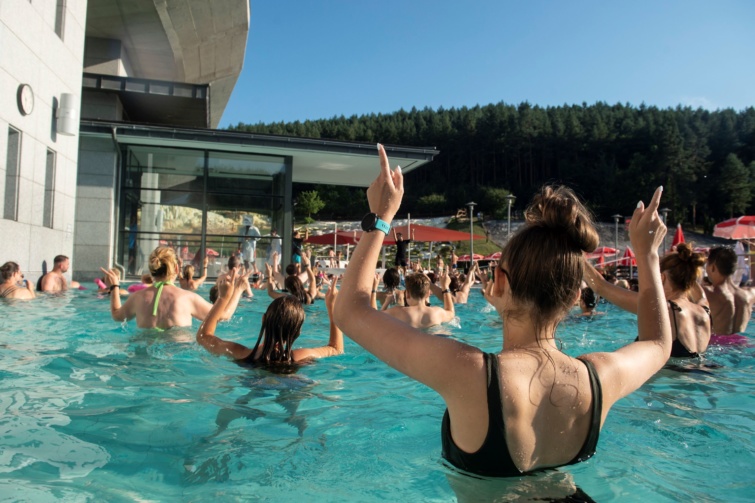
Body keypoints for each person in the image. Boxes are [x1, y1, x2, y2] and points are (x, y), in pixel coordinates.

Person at [334, 144, 671, 477]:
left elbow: (350, 310)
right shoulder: (600, 378)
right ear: (572, 297)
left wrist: (381, 218)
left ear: (498, 282)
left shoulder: (469, 373)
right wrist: (648, 255)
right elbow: (658, 342)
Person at [584, 242, 709, 357]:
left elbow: (600, 286)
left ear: (662, 278)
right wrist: (688, 272)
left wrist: (576, 254)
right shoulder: (705, 311)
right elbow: (700, 294)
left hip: (666, 380)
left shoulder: (662, 309)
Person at [196, 271, 344, 367]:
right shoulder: (299, 357)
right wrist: (332, 308)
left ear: (263, 319)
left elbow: (203, 336)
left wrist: (223, 298)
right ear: (298, 331)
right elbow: (336, 349)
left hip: (252, 380)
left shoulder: (241, 353)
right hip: (292, 383)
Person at [100, 246, 247, 330]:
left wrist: (114, 287)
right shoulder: (188, 298)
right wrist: (238, 289)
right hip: (177, 362)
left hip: (142, 363)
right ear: (177, 268)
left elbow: (117, 316)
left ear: (152, 270)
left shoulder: (137, 297)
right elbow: (224, 315)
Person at [702, 246, 755, 335]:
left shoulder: (707, 293)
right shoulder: (749, 294)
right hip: (741, 344)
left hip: (717, 345)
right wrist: (753, 253)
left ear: (713, 267)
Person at [383, 270, 455, 329]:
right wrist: (445, 287)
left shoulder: (398, 312)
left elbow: (377, 317)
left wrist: (386, 302)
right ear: (428, 294)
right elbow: (451, 313)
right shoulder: (437, 313)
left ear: (407, 294)